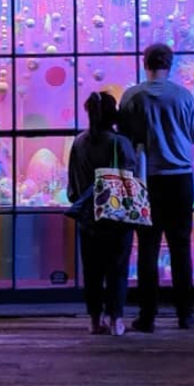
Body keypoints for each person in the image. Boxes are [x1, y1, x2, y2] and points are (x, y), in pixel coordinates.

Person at [119, 42, 194, 331]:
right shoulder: (183, 96)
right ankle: (185, 314)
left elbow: (125, 138)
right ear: (170, 64)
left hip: (146, 179)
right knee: (180, 247)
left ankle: (147, 316)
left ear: (146, 63)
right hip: (180, 178)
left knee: (147, 248)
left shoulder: (132, 96)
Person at [67, 89, 137, 336]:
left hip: (88, 217)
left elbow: (72, 183)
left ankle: (95, 319)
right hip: (117, 216)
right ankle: (116, 319)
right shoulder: (121, 143)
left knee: (92, 269)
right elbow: (131, 179)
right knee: (117, 268)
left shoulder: (79, 142)